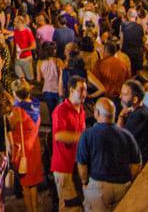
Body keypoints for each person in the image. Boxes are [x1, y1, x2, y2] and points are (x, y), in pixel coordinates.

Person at [76, 98, 141, 212]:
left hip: (98, 187)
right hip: (122, 186)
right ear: (114, 115)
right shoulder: (127, 135)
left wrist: (84, 183)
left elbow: (82, 165)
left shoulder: (88, 135)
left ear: (97, 113)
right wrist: (128, 179)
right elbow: (136, 164)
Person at [7, 81, 45, 212]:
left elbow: (8, 126)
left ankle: (30, 209)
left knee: (25, 186)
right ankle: (35, 208)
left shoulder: (17, 111)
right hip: (34, 148)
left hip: (22, 152)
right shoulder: (35, 105)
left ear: (15, 93)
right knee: (33, 184)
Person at [52, 76, 88, 210]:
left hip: (77, 164)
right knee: (68, 207)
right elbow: (59, 135)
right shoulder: (61, 110)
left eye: (85, 90)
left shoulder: (81, 110)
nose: (84, 93)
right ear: (71, 90)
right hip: (64, 166)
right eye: (81, 90)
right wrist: (84, 137)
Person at [118, 80, 148, 165]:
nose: (120, 97)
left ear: (135, 99)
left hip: (140, 163)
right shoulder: (135, 110)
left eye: (124, 94)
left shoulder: (140, 115)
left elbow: (120, 138)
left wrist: (121, 116)